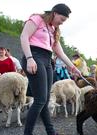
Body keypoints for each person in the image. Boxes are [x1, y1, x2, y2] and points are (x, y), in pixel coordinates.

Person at [20, 3, 81, 135]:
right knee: (40, 100)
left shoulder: (53, 30)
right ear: (55, 13)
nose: (62, 23)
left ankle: (51, 132)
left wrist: (73, 67)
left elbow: (60, 53)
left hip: (47, 60)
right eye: (62, 19)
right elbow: (24, 36)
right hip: (34, 56)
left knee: (45, 100)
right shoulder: (37, 19)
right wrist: (29, 58)